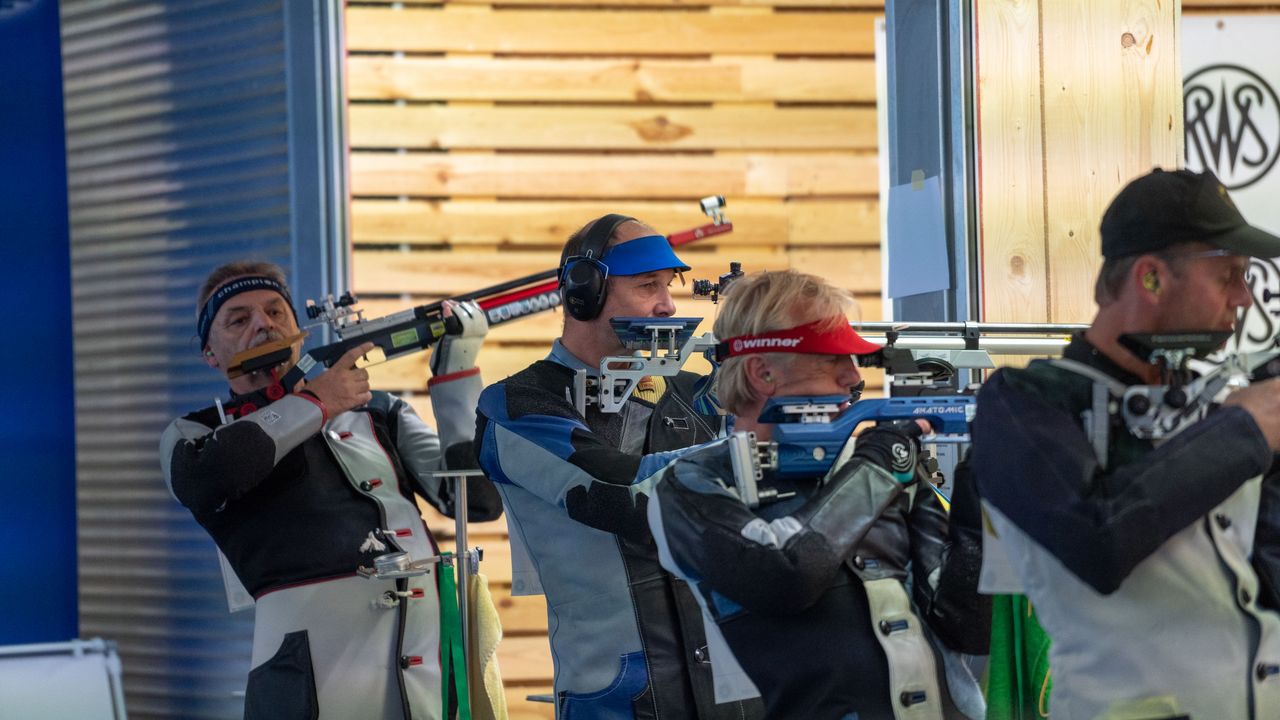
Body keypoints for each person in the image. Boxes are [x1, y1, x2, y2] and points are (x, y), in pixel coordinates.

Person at [973, 168, 1280, 719]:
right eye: (1229, 275)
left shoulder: (1219, 406)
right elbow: (1097, 540)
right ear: (1152, 278)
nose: (1243, 299)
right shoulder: (1022, 402)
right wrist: (1245, 431)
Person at [160, 261, 501, 720]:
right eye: (238, 320)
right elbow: (206, 478)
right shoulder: (198, 431)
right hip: (313, 680)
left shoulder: (379, 411)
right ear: (210, 353)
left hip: (429, 670)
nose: (263, 324)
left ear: (299, 329)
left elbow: (476, 502)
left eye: (276, 312)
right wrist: (319, 402)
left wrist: (456, 377)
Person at [645, 269, 990, 720]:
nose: (853, 376)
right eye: (831, 358)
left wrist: (982, 479)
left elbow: (970, 625)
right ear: (763, 370)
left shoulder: (878, 465)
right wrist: (877, 466)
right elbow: (785, 576)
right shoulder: (694, 485)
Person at [475, 215, 761, 719]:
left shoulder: (697, 393)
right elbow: (621, 491)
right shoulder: (516, 405)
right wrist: (758, 450)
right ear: (584, 293)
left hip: (736, 689)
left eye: (668, 286)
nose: (667, 305)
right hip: (620, 698)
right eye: (647, 285)